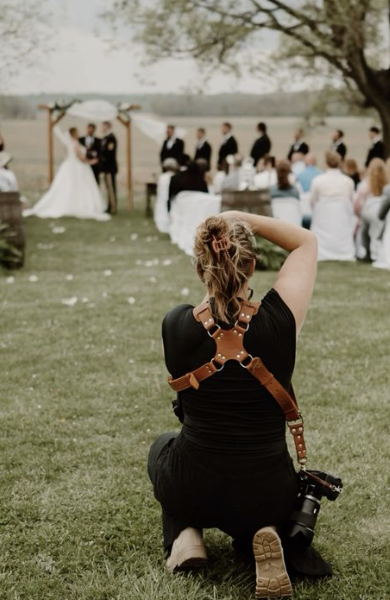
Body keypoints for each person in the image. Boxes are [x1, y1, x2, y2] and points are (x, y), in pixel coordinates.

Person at [148, 211, 331, 590]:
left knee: (163, 445)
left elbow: (212, 314)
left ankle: (186, 536)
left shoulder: (175, 324)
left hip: (193, 486)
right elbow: (306, 242)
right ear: (251, 264)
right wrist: (239, 218)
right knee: (256, 496)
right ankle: (261, 532)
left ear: (199, 269)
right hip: (268, 491)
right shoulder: (280, 319)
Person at [24, 127, 109, 220]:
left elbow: (68, 154)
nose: (78, 134)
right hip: (78, 167)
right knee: (81, 185)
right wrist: (91, 162)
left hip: (69, 165)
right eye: (77, 132)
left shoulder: (68, 143)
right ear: (74, 134)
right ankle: (81, 205)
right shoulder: (75, 143)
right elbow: (80, 157)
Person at [354, 158, 388, 261]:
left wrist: (359, 216)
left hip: (368, 215)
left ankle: (367, 252)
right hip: (384, 216)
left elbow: (357, 206)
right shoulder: (388, 185)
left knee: (363, 226)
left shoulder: (363, 186)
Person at [99, 121, 118, 214]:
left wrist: (101, 160)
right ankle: (109, 206)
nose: (102, 128)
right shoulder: (105, 138)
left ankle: (113, 207)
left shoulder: (111, 138)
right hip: (106, 168)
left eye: (104, 126)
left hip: (110, 168)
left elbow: (110, 154)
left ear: (108, 127)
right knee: (108, 187)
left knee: (111, 188)